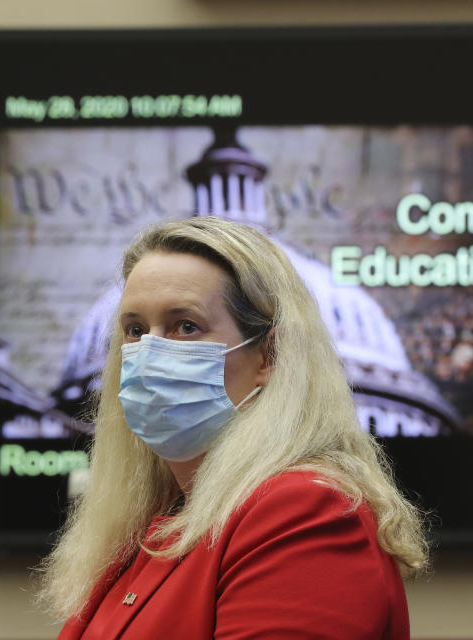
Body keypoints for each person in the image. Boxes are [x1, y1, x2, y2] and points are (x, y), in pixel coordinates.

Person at [38, 217, 428, 639]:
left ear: (269, 356)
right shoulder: (149, 526)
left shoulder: (305, 511)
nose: (148, 352)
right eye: (134, 330)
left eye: (186, 326)